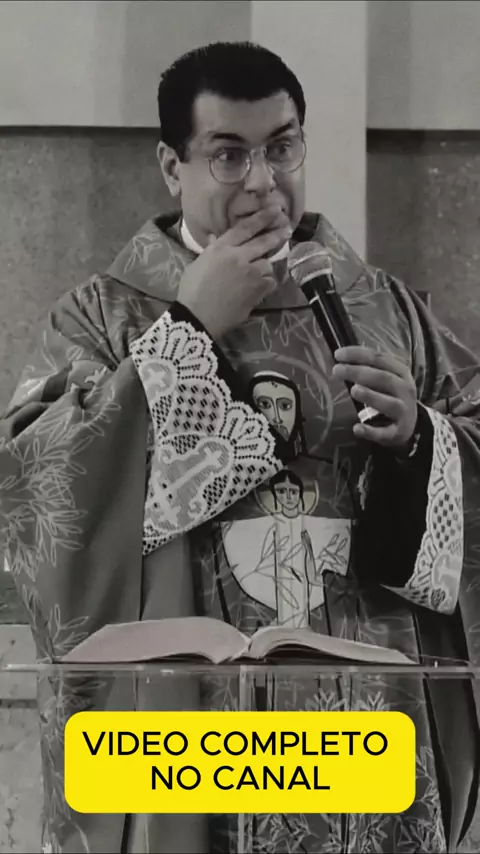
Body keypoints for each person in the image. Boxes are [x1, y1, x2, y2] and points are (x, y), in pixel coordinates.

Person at [1, 40, 480, 854]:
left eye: (282, 148)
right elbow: (35, 494)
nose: (263, 181)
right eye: (229, 155)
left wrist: (419, 442)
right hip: (184, 741)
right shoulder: (104, 316)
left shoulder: (387, 310)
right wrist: (186, 329)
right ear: (172, 166)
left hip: (360, 734)